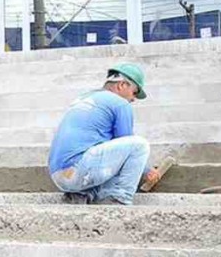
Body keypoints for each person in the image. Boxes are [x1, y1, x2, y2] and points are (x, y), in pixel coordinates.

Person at [47, 62, 153, 205]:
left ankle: (84, 195)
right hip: (80, 169)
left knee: (107, 153)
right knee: (139, 146)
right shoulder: (119, 103)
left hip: (58, 176)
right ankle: (118, 199)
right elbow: (125, 143)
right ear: (122, 85)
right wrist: (148, 171)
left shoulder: (83, 98)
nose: (133, 99)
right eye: (134, 92)